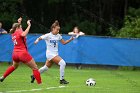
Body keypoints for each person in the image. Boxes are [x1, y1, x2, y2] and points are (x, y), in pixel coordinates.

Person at [31, 20, 74, 84]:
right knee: (63, 63)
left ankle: (34, 75)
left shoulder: (58, 36)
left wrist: (70, 39)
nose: (58, 31)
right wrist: (36, 41)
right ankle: (61, 80)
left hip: (55, 54)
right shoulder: (48, 35)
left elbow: (64, 43)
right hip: (50, 54)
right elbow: (40, 38)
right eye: (57, 29)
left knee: (45, 68)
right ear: (53, 29)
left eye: (59, 30)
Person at [0, 19, 42, 84]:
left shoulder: (13, 33)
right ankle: (40, 84)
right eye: (20, 27)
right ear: (17, 28)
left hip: (15, 54)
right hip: (22, 53)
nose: (21, 28)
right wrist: (29, 25)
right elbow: (24, 34)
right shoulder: (19, 31)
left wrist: (19, 22)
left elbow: (20, 31)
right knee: (35, 68)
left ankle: (3, 77)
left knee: (14, 66)